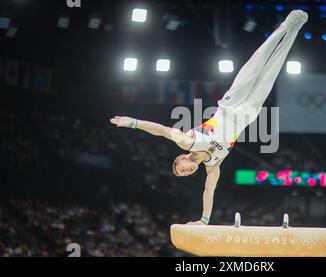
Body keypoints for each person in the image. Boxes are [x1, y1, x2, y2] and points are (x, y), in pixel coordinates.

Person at [110, 10, 308, 225]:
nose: (187, 172)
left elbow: (161, 130)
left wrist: (133, 123)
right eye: (185, 175)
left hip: (230, 104)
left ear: (183, 158)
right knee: (271, 71)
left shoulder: (187, 140)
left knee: (256, 64)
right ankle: (294, 30)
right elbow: (209, 192)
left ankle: (285, 26)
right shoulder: (214, 165)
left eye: (182, 170)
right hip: (249, 114)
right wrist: (204, 220)